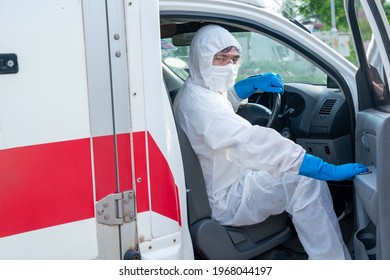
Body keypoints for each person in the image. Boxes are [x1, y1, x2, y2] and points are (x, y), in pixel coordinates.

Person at [173, 24, 368, 260]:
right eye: (220, 58)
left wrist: (245, 88)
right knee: (305, 180)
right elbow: (251, 141)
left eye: (234, 59)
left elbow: (220, 111)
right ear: (200, 59)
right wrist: (324, 168)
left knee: (289, 171)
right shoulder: (200, 106)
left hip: (221, 181)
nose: (229, 67)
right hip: (227, 198)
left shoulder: (194, 91)